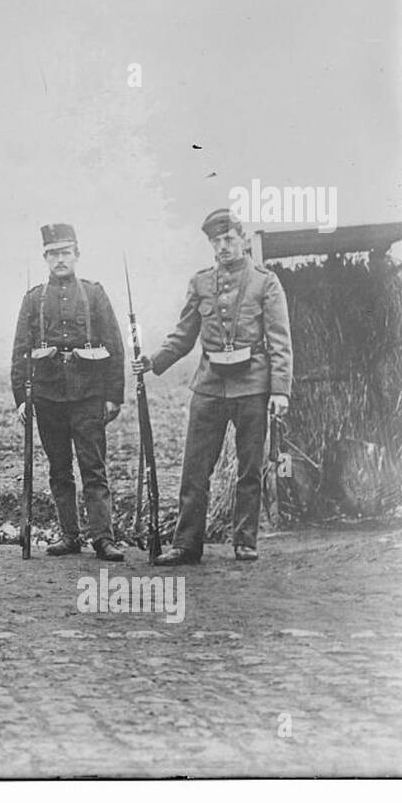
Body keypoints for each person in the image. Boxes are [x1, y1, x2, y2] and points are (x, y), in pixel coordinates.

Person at [132, 209, 293, 564]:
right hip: (209, 386)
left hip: (252, 385)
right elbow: (184, 334)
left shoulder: (266, 283)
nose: (223, 247)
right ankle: (187, 545)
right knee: (194, 468)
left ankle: (245, 541)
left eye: (229, 239)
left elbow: (280, 340)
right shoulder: (201, 282)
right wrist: (154, 361)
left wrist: (280, 390)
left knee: (250, 468)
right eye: (216, 242)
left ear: (243, 238)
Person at [11, 223, 127, 561]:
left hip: (89, 394)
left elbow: (115, 346)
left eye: (66, 253)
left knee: (94, 468)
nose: (60, 259)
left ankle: (103, 539)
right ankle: (70, 535)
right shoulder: (34, 299)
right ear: (45, 257)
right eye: (53, 254)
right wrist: (21, 398)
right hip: (47, 396)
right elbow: (20, 349)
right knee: (59, 469)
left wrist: (112, 396)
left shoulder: (94, 294)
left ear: (77, 254)